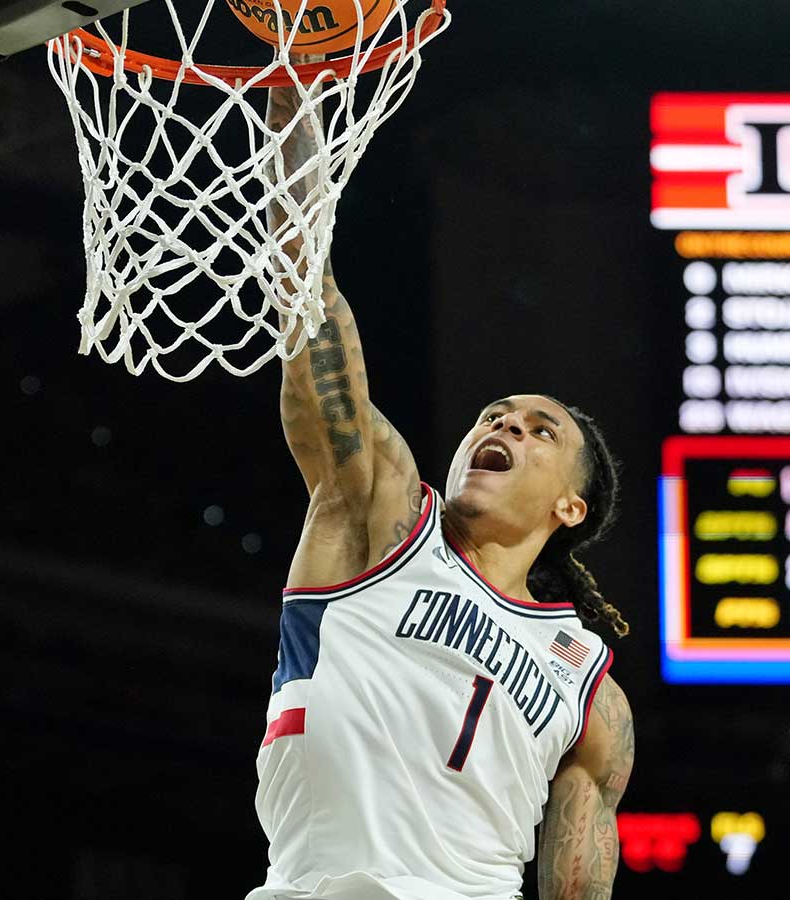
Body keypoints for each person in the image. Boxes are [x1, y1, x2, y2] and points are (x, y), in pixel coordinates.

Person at [246, 61, 634, 900]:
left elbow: (582, 852)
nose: (503, 427)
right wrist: (291, 94)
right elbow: (307, 292)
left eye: (539, 430)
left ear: (573, 505)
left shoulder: (588, 683)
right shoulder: (382, 514)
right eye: (494, 416)